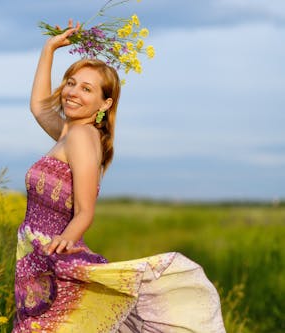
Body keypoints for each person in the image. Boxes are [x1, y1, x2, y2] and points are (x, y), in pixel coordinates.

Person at [13, 20, 226, 332]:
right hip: (36, 258)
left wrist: (56, 251)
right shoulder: (68, 135)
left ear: (105, 103)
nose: (73, 92)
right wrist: (49, 49)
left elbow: (85, 212)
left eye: (86, 89)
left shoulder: (82, 137)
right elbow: (38, 107)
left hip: (52, 259)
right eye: (71, 82)